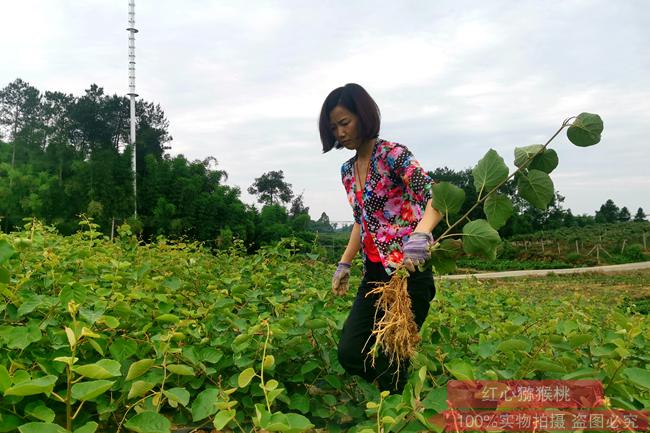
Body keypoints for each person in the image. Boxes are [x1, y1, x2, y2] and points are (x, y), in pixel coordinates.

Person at [319, 83, 443, 393]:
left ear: (363, 116)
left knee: (395, 354)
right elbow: (362, 221)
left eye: (344, 122)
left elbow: (437, 196)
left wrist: (421, 233)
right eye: (334, 127)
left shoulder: (394, 156)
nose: (340, 132)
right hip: (374, 276)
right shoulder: (348, 170)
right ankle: (397, 394)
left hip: (408, 272)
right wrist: (344, 263)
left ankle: (401, 407)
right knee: (350, 351)